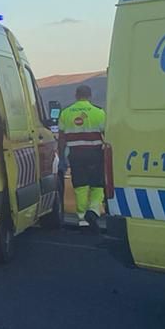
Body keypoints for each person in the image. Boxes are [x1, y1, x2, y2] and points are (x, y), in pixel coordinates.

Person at [57, 85, 107, 228]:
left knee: (80, 186)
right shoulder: (99, 112)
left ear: (76, 95)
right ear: (90, 96)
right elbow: (108, 134)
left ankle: (82, 219)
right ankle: (93, 211)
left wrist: (61, 157)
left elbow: (61, 139)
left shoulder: (66, 113)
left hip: (76, 155)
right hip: (95, 154)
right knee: (97, 185)